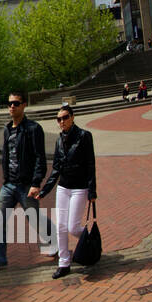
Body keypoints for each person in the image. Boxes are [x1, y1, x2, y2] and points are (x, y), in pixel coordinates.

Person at [0, 91, 47, 275]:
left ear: (24, 105)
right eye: (9, 103)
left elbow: (41, 159)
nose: (12, 107)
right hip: (9, 185)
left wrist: (36, 182)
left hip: (26, 185)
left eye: (16, 103)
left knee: (35, 219)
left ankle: (56, 242)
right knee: (0, 221)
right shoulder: (7, 129)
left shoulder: (34, 129)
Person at [33, 104, 96, 279]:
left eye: (65, 117)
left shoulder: (84, 136)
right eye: (59, 119)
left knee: (73, 226)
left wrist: (92, 190)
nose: (62, 121)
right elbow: (56, 169)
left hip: (80, 188)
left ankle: (89, 241)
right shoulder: (59, 140)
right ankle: (64, 262)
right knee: (61, 226)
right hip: (63, 187)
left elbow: (91, 165)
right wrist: (45, 190)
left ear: (72, 117)